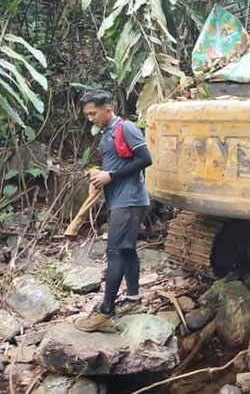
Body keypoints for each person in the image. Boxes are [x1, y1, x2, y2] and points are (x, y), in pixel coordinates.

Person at [74, 89, 153, 332]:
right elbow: (108, 162)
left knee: (115, 251)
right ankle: (132, 300)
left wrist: (112, 176)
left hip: (129, 200)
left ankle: (106, 311)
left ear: (108, 109)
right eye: (87, 115)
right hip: (119, 200)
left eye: (93, 113)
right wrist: (97, 174)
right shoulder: (106, 132)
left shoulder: (126, 128)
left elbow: (145, 159)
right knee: (127, 250)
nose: (90, 119)